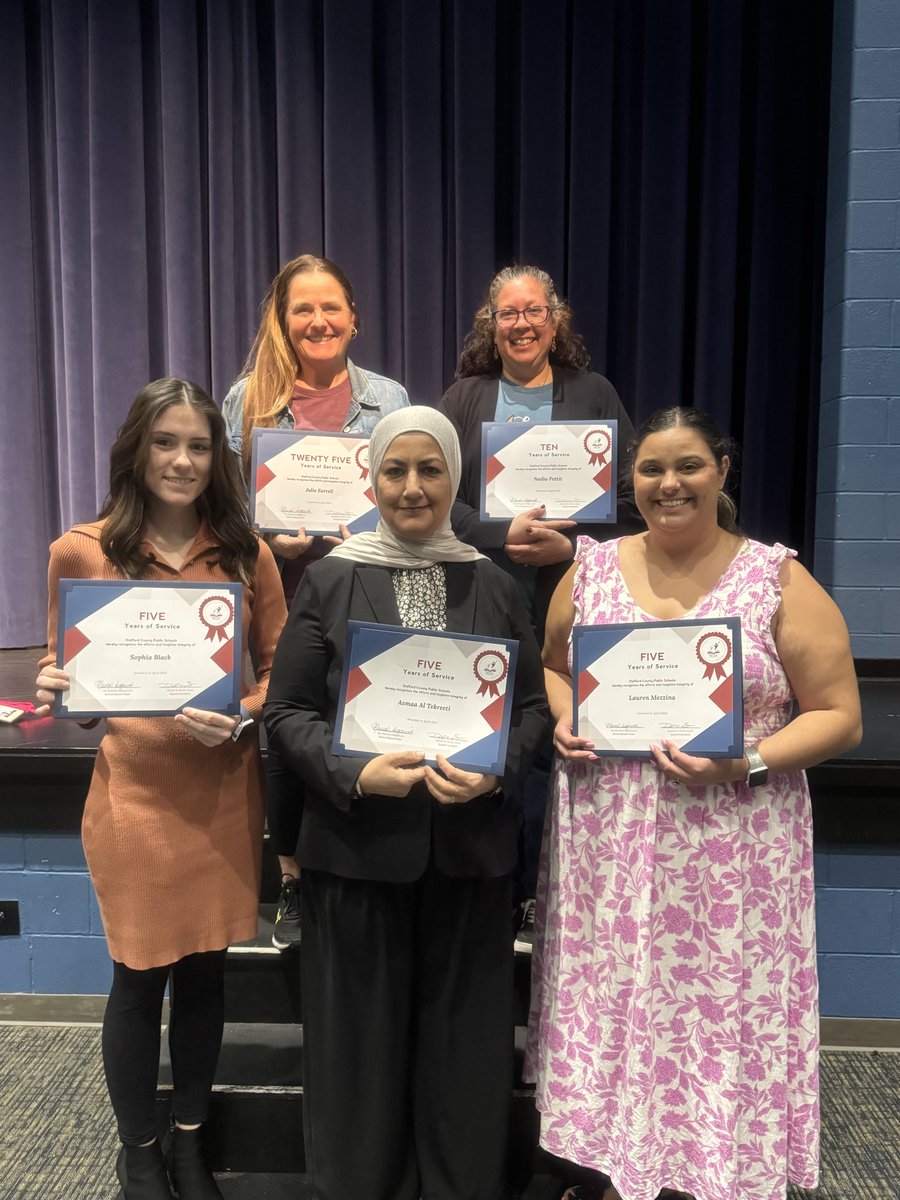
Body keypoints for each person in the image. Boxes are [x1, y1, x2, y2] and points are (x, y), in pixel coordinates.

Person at [526, 407, 862, 1200]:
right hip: (611, 841)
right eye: (650, 469)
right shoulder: (592, 568)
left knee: (716, 1010)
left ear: (722, 472)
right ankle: (620, 1169)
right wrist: (567, 713)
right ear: (630, 481)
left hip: (732, 846)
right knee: (617, 1002)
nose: (668, 483)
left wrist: (744, 759)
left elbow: (841, 716)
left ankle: (718, 1171)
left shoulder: (777, 578)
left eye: (688, 467)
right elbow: (553, 666)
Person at [264, 406, 549, 1200]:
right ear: (373, 478)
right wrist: (355, 772)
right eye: (397, 470)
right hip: (355, 854)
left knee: (466, 1052)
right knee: (357, 1054)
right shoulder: (329, 577)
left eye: (431, 470)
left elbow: (530, 712)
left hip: (469, 859)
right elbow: (286, 713)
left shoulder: (495, 583)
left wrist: (497, 772)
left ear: (455, 478)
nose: (413, 487)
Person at [35, 379, 287, 1200]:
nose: (183, 460)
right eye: (166, 443)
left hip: (221, 794)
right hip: (135, 801)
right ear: (137, 451)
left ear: (219, 458)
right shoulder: (81, 549)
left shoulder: (248, 552)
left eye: (200, 445)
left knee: (209, 975)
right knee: (139, 979)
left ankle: (188, 1139)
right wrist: (59, 688)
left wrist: (246, 717)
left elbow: (279, 675)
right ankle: (137, 1149)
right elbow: (77, 699)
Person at [438, 264, 639, 948]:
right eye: (508, 314)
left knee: (557, 753)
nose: (521, 324)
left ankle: (546, 897)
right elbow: (436, 498)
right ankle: (495, 893)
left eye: (534, 312)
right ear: (490, 326)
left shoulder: (594, 394)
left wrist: (570, 545)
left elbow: (636, 505)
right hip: (482, 603)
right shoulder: (465, 398)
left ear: (557, 319)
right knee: (490, 743)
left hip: (568, 606)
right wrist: (501, 533)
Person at [222, 253, 409, 949]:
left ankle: (357, 871)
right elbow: (224, 509)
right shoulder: (248, 401)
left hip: (367, 592)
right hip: (284, 596)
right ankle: (294, 879)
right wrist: (273, 544)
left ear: (354, 319)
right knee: (284, 735)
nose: (318, 320)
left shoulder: (388, 401)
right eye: (303, 308)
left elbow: (412, 492)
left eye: (331, 307)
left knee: (361, 725)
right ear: (283, 319)